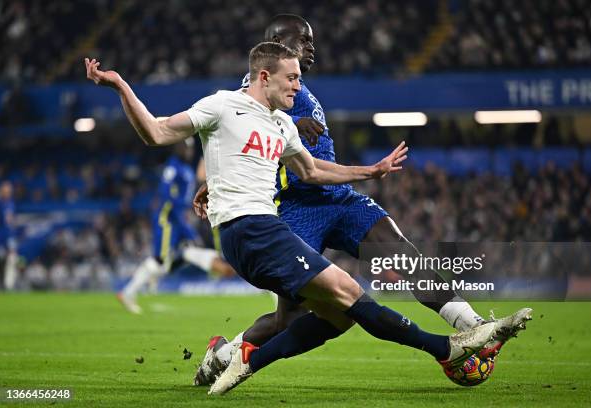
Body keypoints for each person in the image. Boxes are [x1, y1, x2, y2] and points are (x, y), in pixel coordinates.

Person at [85, 42, 529, 396]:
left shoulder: (282, 126)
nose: (300, 84)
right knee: (350, 292)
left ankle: (243, 359)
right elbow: (158, 131)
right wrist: (121, 84)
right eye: (293, 77)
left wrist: (369, 171)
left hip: (266, 230)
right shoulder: (222, 105)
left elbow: (313, 171)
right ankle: (448, 348)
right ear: (265, 76)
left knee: (340, 315)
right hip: (252, 228)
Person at [193, 14, 517, 386]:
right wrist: (228, 173)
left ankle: (475, 327)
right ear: (278, 41)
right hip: (294, 208)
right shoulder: (256, 87)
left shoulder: (299, 87)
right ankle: (225, 355)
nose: (312, 46)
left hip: (338, 198)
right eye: (304, 39)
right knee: (291, 319)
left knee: (401, 253)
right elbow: (241, 126)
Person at [117, 139, 235, 314]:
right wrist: (183, 219)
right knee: (161, 260)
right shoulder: (173, 167)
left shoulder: (186, 169)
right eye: (184, 148)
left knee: (183, 254)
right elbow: (165, 192)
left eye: (189, 148)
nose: (187, 152)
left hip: (179, 218)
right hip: (168, 218)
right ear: (178, 149)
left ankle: (148, 282)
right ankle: (129, 292)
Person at [0, 181, 17, 290]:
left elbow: (11, 219)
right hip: (0, 235)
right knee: (0, 258)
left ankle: (9, 284)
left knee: (12, 258)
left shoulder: (11, 203)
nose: (8, 192)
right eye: (6, 190)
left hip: (9, 235)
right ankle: (1, 282)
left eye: (9, 190)